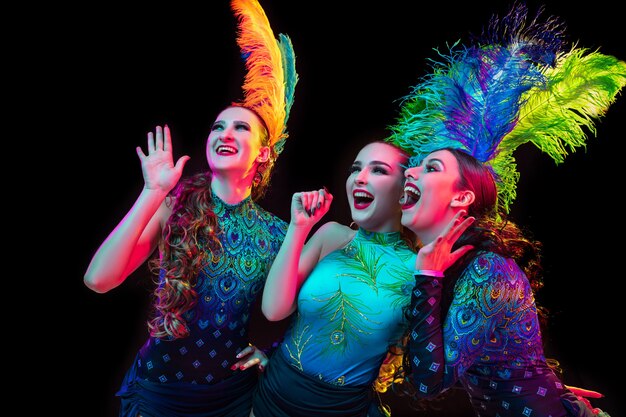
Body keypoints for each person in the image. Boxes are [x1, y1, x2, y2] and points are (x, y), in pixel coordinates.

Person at [385, 2, 625, 416]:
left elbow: (427, 383)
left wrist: (427, 277)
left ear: (462, 198)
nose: (411, 170)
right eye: (416, 163)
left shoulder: (487, 269)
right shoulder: (450, 263)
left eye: (431, 167)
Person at [83, 0, 299, 415]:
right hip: (159, 394)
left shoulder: (277, 233)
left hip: (231, 399)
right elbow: (98, 280)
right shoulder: (174, 206)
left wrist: (274, 353)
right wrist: (151, 192)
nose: (225, 132)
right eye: (218, 125)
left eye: (240, 127)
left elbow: (306, 310)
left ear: (263, 155)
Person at [250, 140, 418, 417]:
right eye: (356, 169)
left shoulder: (418, 270)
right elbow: (273, 310)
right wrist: (299, 227)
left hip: (340, 409)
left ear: (405, 189)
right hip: (271, 398)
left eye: (378, 171)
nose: (360, 178)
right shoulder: (331, 235)